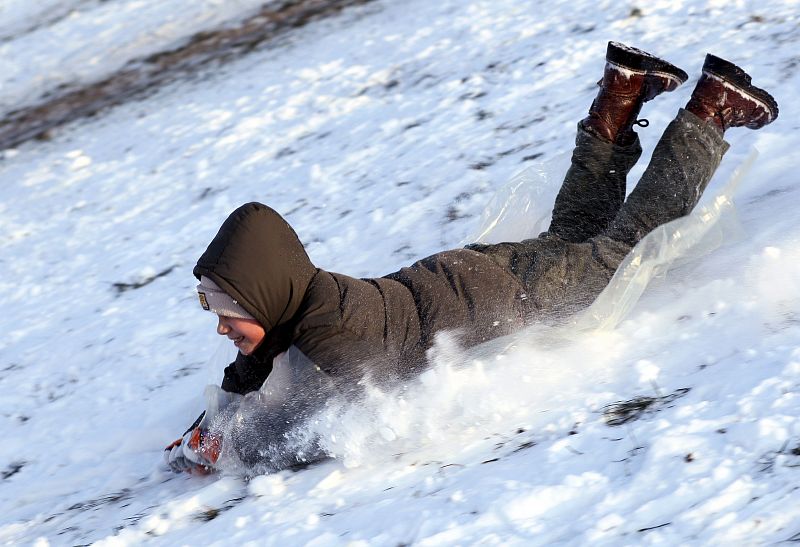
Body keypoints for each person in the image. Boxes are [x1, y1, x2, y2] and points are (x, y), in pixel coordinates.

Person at [165, 42, 778, 474]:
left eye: (228, 312)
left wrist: (231, 451)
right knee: (574, 233)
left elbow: (310, 429)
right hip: (467, 272)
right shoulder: (308, 294)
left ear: (265, 296)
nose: (221, 327)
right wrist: (208, 425)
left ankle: (712, 109)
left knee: (625, 251)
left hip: (503, 294)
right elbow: (258, 359)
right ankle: (622, 89)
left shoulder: (333, 342)